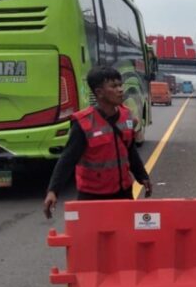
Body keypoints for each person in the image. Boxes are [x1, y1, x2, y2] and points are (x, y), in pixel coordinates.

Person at [43, 66, 152, 218]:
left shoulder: (126, 116)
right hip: (92, 195)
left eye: (120, 85)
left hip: (123, 192)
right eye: (114, 86)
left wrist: (143, 177)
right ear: (99, 92)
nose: (120, 90)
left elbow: (129, 150)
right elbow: (67, 159)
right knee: (93, 239)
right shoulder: (84, 123)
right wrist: (53, 191)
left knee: (124, 237)